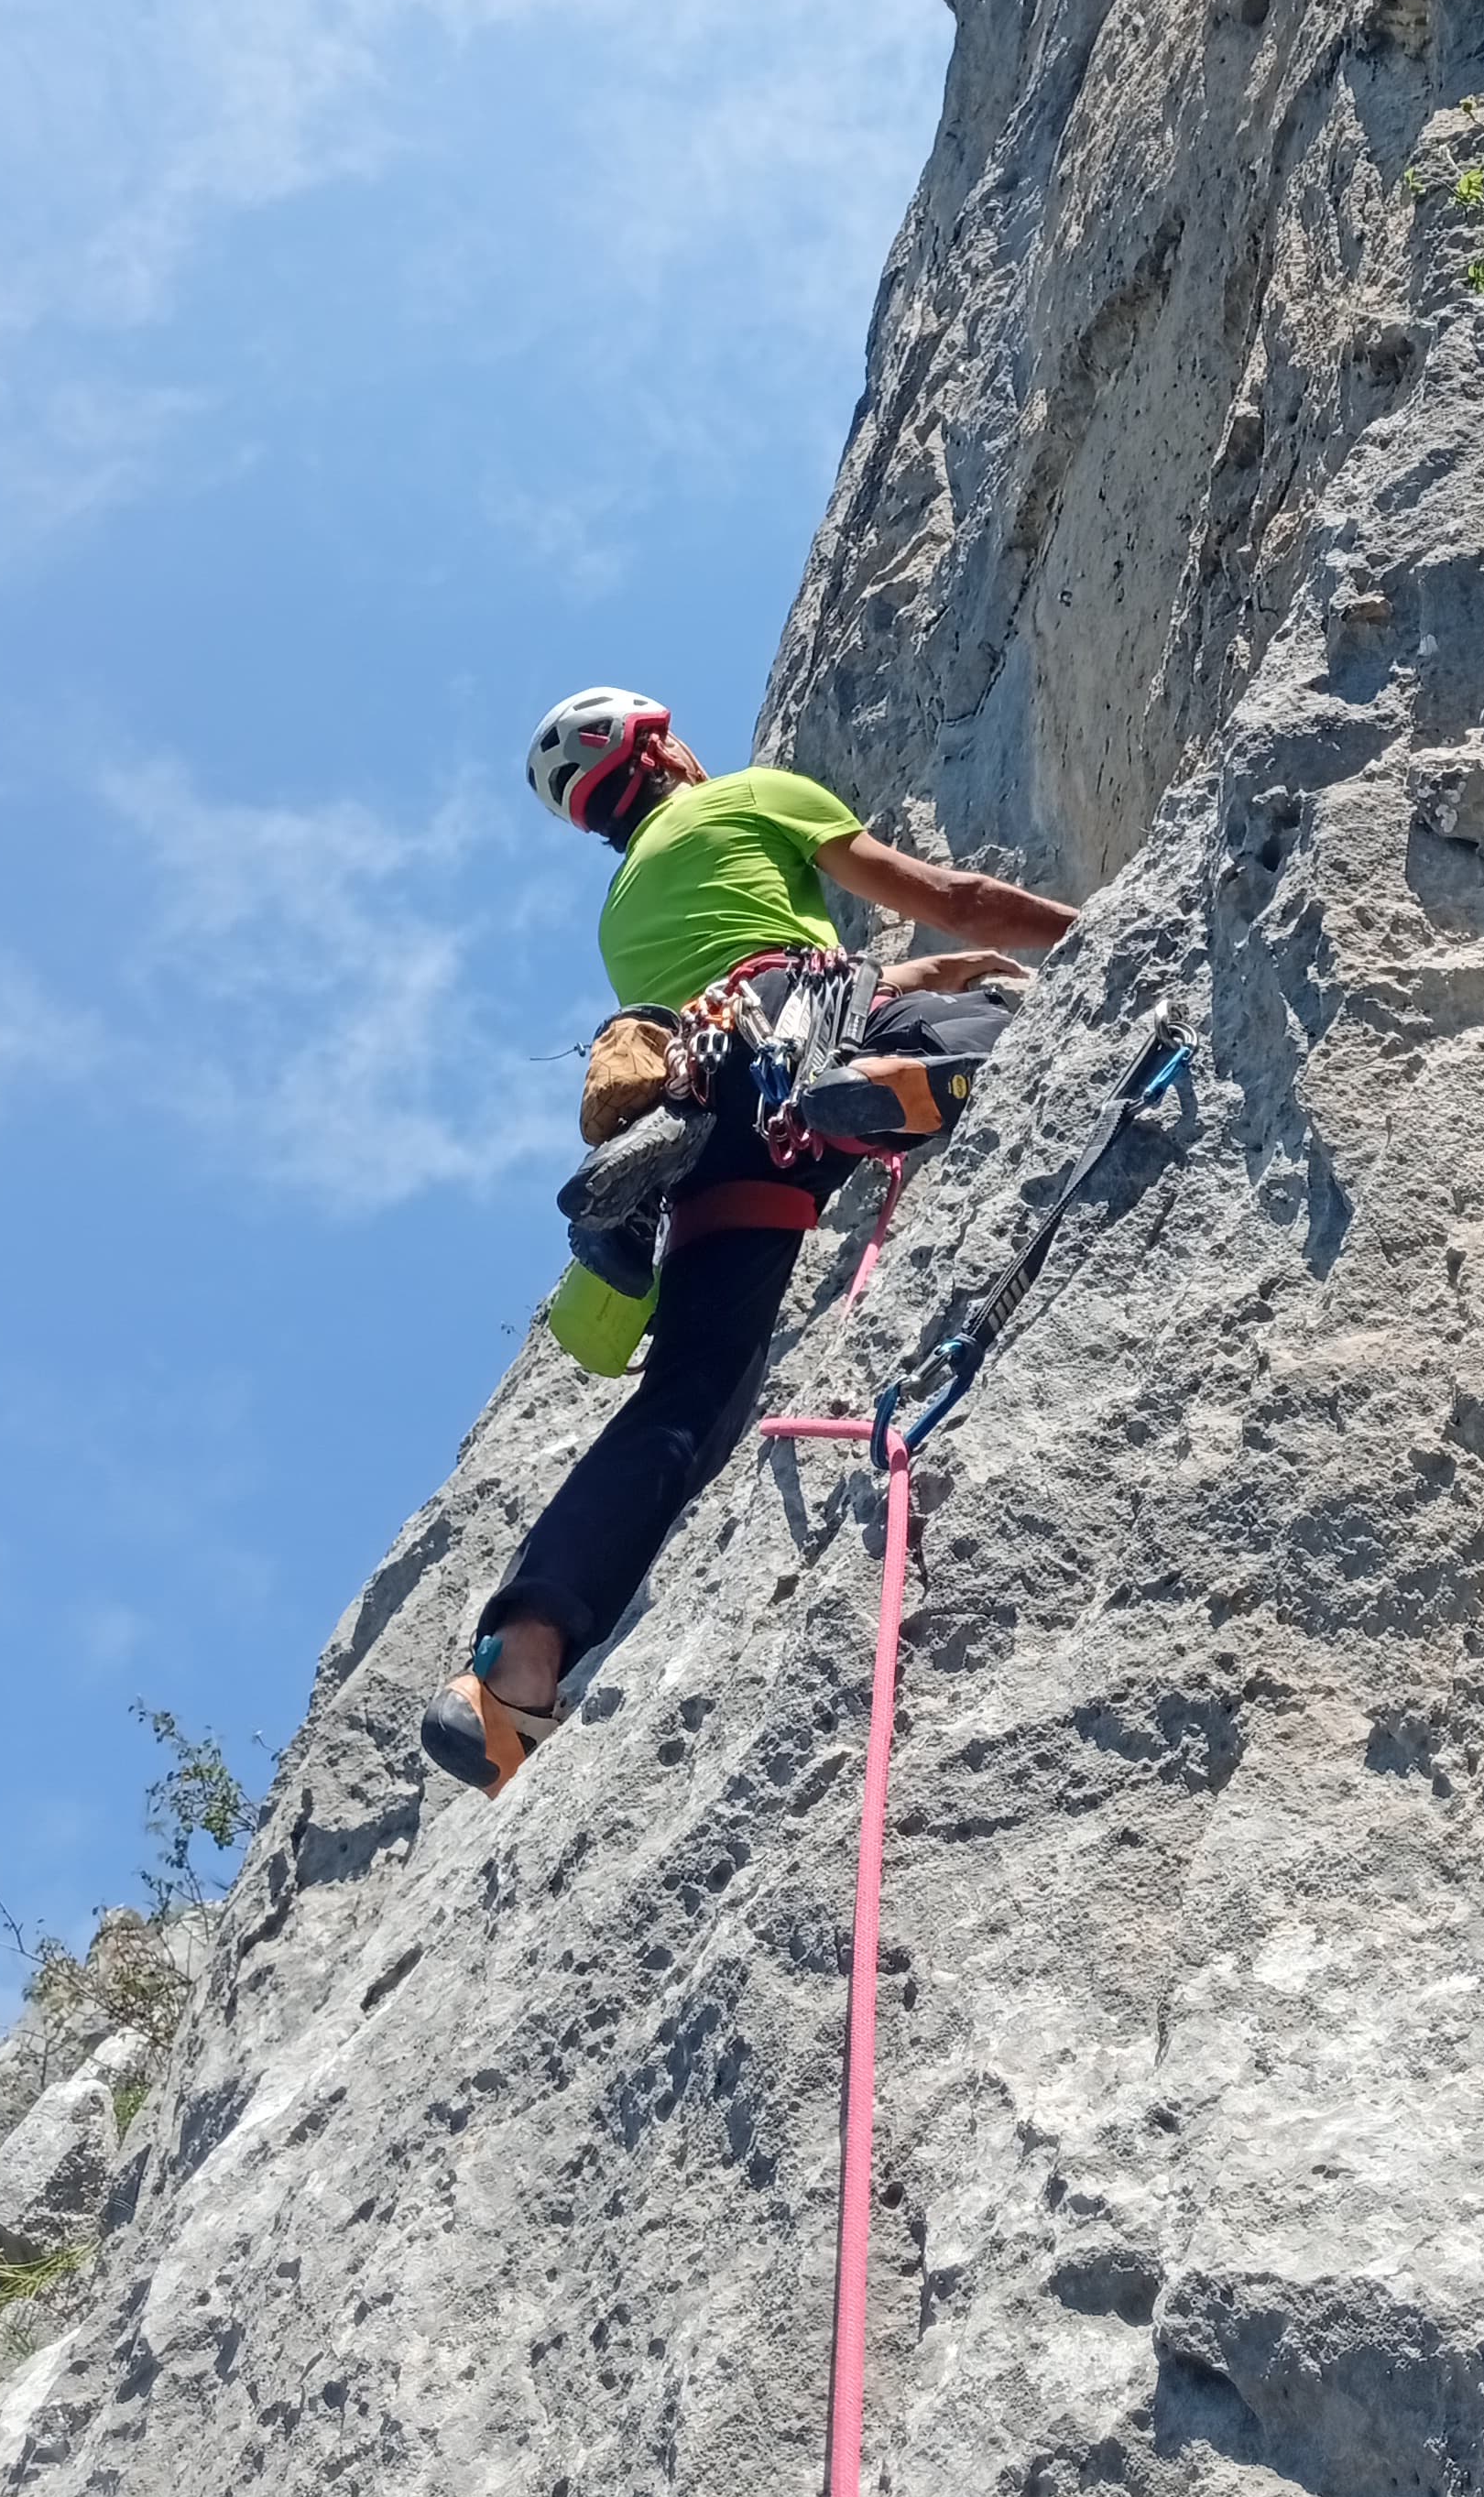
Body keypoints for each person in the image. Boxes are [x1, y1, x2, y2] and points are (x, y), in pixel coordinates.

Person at [420, 689, 1078, 1796]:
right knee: (1009, 1022)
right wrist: (1094, 933)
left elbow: (737, 978)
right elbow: (946, 899)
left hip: (710, 1119)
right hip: (810, 1045)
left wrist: (924, 973)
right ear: (664, 748)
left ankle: (513, 1669)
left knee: (690, 1398)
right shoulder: (755, 797)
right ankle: (925, 1077)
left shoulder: (622, 911)